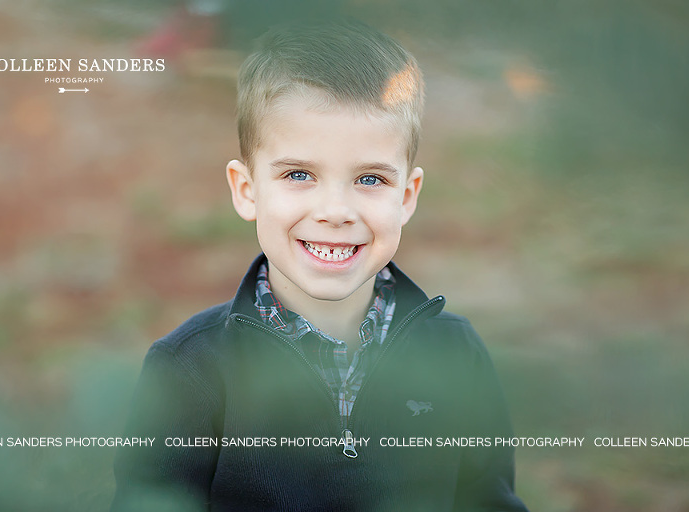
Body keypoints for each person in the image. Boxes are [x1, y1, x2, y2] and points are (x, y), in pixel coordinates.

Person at [111, 18, 529, 512]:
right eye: (299, 174)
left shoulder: (457, 357)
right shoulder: (189, 370)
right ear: (246, 190)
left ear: (408, 196)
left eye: (370, 180)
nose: (335, 210)